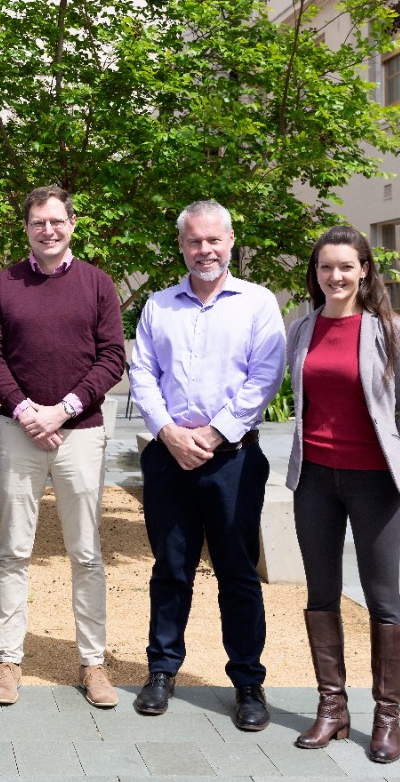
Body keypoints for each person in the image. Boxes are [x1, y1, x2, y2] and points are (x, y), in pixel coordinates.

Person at [128, 200, 286, 731]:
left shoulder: (259, 305)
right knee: (170, 570)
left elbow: (265, 377)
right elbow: (143, 374)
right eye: (195, 241)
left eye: (214, 240)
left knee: (237, 572)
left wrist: (215, 433)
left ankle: (247, 682)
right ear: (181, 246)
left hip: (233, 460)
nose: (205, 250)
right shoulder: (158, 306)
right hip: (170, 459)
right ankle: (162, 671)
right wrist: (170, 434)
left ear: (231, 241)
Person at [286, 225, 400, 763]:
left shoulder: (390, 330)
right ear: (315, 273)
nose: (336, 276)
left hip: (375, 483)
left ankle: (386, 718)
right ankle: (333, 709)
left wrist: (389, 460)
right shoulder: (301, 329)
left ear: (365, 269)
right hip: (315, 480)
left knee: (382, 598)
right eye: (326, 267)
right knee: (321, 593)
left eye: (346, 266)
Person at [0, 185, 126, 708]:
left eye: (56, 221)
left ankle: (93, 663)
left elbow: (113, 356)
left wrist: (63, 409)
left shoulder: (98, 284)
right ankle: (7, 660)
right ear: (26, 228)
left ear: (72, 223)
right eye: (38, 222)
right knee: (13, 551)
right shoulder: (3, 284)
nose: (48, 230)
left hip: (81, 432)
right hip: (18, 433)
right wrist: (26, 411)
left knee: (86, 553)